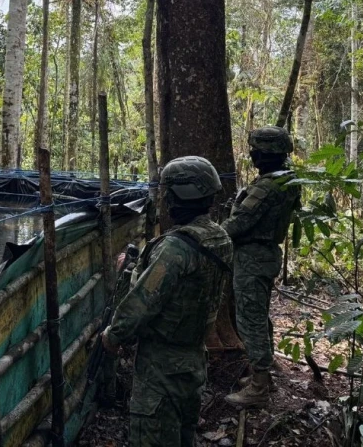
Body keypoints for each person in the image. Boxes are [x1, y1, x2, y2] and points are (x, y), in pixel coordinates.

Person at [101, 156, 233, 447]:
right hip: (194, 361)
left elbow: (142, 303)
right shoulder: (220, 237)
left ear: (178, 196)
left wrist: (112, 336)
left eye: (168, 194)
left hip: (161, 368)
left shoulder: (174, 248)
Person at [222, 126, 301, 409]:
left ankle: (259, 386)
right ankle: (263, 375)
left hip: (253, 256)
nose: (252, 153)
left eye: (256, 149)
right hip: (265, 254)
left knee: (250, 320)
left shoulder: (268, 186)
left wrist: (212, 234)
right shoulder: (287, 179)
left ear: (266, 153)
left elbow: (240, 223)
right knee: (258, 314)